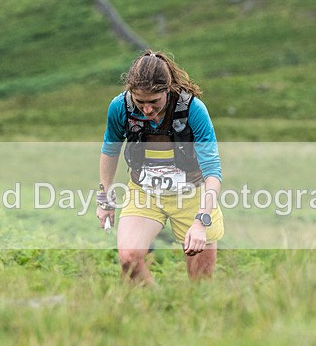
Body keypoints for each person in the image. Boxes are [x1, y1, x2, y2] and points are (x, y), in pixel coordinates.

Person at [96, 50, 223, 284]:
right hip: (144, 192)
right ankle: (160, 307)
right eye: (140, 101)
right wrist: (105, 198)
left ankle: (190, 316)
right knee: (128, 258)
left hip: (192, 193)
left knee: (201, 282)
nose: (147, 109)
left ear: (167, 89)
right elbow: (110, 150)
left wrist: (201, 221)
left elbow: (213, 171)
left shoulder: (193, 109)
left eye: (154, 101)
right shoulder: (119, 107)